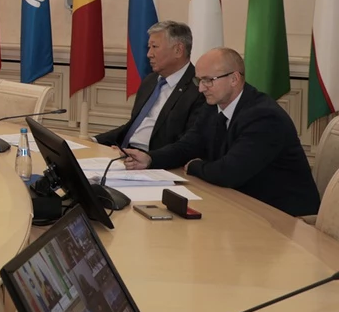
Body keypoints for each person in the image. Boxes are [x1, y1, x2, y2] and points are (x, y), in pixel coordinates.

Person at [122, 47, 319, 217]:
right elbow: (188, 145)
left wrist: (195, 166)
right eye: (199, 80)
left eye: (208, 80)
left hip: (284, 217)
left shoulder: (264, 117)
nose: (201, 88)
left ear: (234, 79)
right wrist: (150, 159)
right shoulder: (213, 106)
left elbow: (229, 173)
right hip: (241, 203)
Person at [94, 20, 206, 160]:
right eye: (149, 47)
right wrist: (94, 141)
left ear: (178, 50)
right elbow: (133, 125)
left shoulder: (199, 88)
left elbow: (188, 144)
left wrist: (149, 158)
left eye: (154, 47)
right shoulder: (150, 81)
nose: (149, 54)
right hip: (125, 154)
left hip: (156, 161)